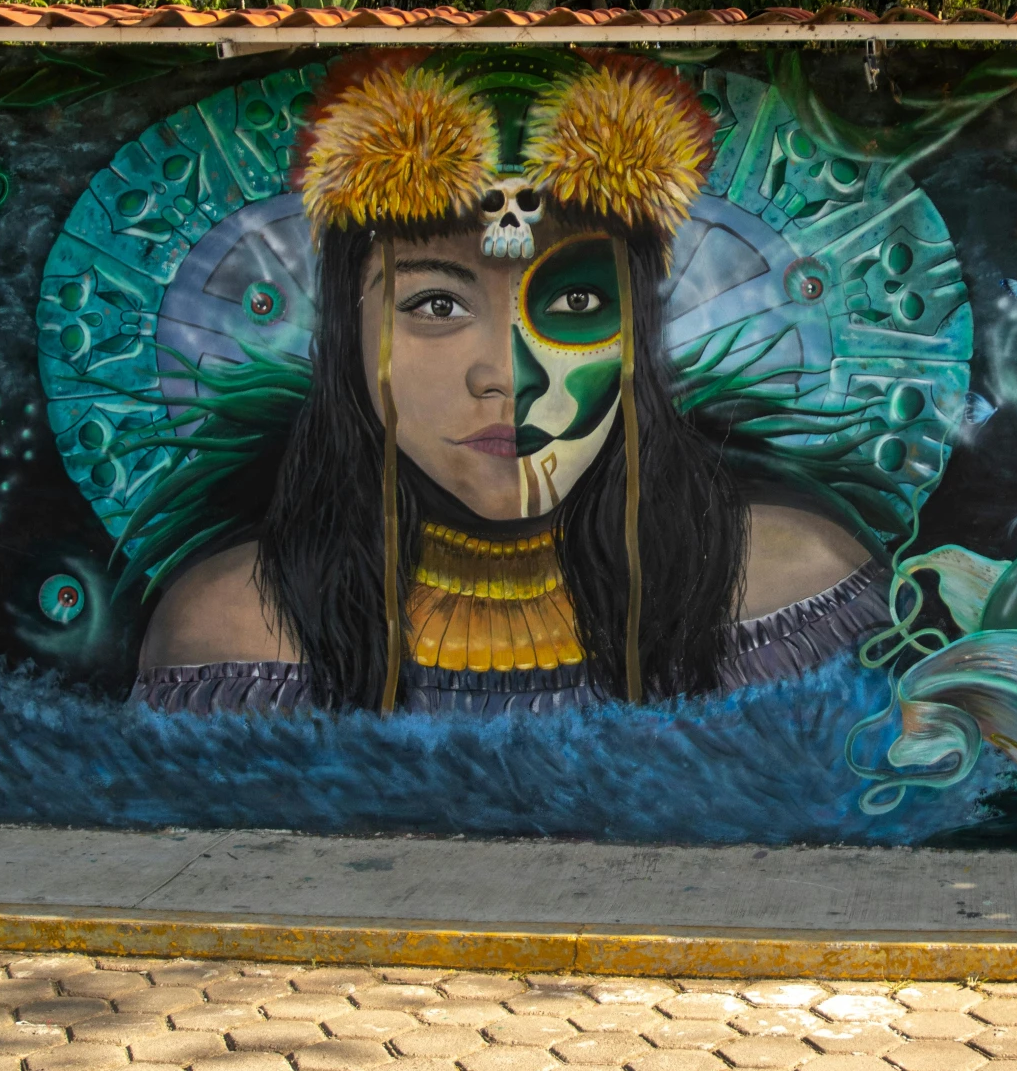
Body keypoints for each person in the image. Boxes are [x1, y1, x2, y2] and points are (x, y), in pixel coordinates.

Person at [130, 49, 886, 713]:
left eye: (577, 302)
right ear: (345, 332)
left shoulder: (797, 586)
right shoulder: (228, 628)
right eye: (436, 303)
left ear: (639, 335)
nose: (507, 377)